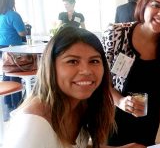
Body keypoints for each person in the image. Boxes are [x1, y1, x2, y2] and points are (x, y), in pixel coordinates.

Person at [3, 26, 145, 148]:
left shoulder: (81, 104)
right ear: (51, 67)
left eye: (94, 61)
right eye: (72, 61)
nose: (86, 70)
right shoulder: (33, 125)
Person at [101, 0, 160, 146]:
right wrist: (120, 101)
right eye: (156, 5)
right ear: (144, 4)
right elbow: (99, 80)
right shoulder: (117, 34)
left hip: (148, 121)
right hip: (113, 118)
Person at [0, 0, 27, 121]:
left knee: (7, 73)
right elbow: (22, 33)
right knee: (15, 74)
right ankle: (17, 105)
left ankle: (7, 103)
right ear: (12, 1)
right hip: (14, 48)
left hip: (2, 48)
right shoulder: (13, 15)